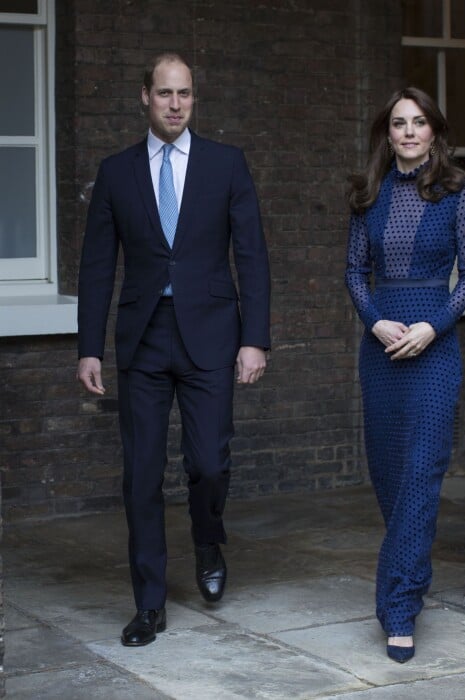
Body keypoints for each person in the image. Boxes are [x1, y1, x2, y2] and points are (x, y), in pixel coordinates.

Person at [77, 52, 270, 647]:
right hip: (142, 339)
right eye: (165, 94)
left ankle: (207, 538)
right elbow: (96, 266)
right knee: (140, 476)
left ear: (194, 98)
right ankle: (150, 603)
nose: (176, 104)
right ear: (144, 97)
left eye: (184, 93)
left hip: (211, 334)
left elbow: (252, 257)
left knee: (209, 463)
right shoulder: (117, 172)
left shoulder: (226, 165)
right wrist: (89, 348)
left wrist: (254, 339)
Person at [345, 87, 465, 663]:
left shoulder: (457, 190)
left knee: (421, 477)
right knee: (389, 476)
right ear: (388, 132)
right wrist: (377, 323)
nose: (408, 132)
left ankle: (399, 607)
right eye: (399, 123)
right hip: (381, 353)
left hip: (433, 349)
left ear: (433, 131)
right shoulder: (368, 193)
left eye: (418, 122)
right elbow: (355, 271)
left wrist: (432, 326)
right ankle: (409, 573)